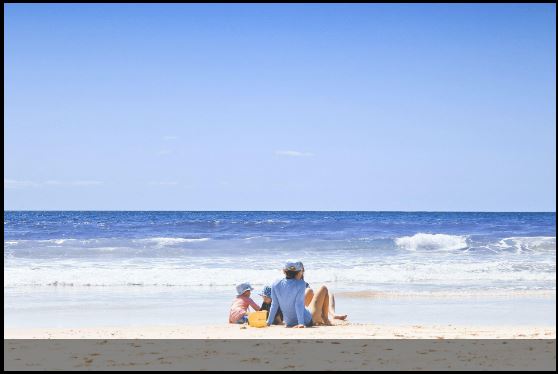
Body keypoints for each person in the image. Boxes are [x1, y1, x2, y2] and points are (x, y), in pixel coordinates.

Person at [267, 260, 332, 328]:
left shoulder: (275, 284)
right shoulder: (300, 284)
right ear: (299, 272)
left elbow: (274, 304)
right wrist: (301, 323)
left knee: (309, 291)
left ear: (283, 271)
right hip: (307, 320)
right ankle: (326, 319)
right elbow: (298, 304)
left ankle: (322, 317)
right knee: (323, 288)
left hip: (288, 322)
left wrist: (268, 322)